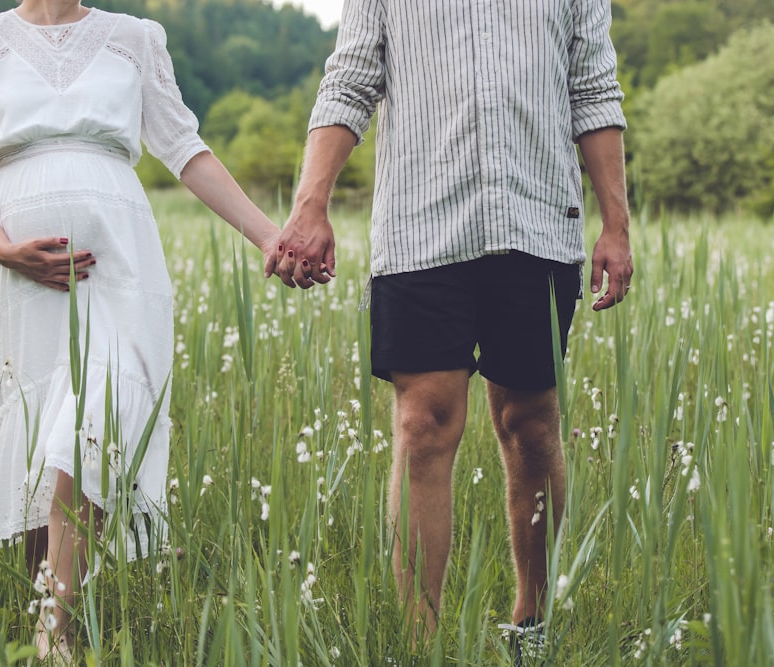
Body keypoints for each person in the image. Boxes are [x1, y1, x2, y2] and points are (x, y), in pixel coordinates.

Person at [266, 0, 634, 654]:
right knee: (422, 419)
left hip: (538, 218)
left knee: (530, 422)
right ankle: (421, 642)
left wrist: (617, 224)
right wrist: (310, 203)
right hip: (420, 224)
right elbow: (350, 79)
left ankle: (532, 619)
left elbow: (593, 88)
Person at [0, 0, 279, 658]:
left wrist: (266, 234)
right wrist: (3, 248)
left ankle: (52, 630)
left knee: (104, 407)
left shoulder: (135, 38)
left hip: (120, 259)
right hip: (21, 269)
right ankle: (51, 610)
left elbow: (185, 148)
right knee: (46, 431)